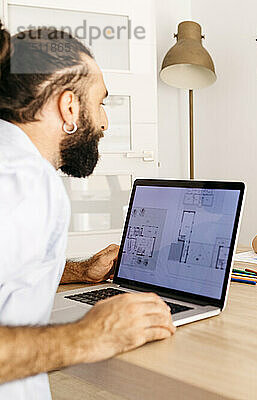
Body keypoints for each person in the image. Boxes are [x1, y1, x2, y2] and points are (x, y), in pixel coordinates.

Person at [0, 23, 175, 398]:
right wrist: (88, 335)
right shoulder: (24, 181)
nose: (104, 122)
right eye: (100, 102)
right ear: (69, 106)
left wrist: (78, 271)